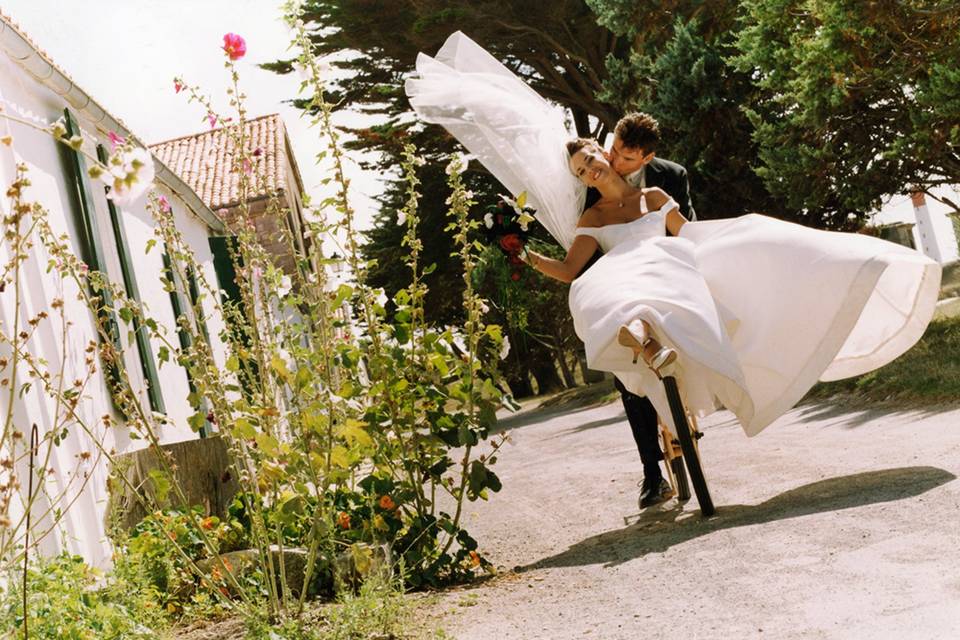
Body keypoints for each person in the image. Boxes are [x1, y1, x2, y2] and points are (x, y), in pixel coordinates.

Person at [406, 31, 941, 495]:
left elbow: (689, 237)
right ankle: (651, 433)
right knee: (610, 302)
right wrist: (526, 255)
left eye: (597, 157)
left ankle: (677, 386)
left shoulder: (661, 190)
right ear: (583, 171)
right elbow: (571, 270)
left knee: (714, 267)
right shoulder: (589, 218)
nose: (599, 165)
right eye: (587, 165)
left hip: (665, 260)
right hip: (617, 274)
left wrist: (728, 252)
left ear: (617, 153)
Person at [583, 113, 695, 508]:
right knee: (626, 370)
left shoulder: (670, 176)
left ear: (646, 158)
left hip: (664, 271)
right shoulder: (591, 178)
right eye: (612, 149)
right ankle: (651, 473)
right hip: (615, 280)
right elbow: (583, 240)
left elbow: (686, 229)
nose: (614, 161)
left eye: (627, 158)